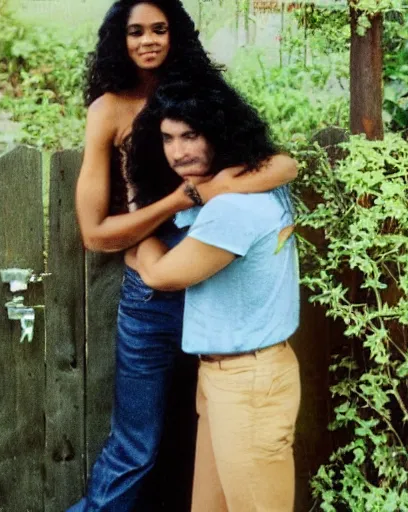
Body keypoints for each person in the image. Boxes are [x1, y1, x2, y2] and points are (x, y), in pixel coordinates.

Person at [70, 1, 299, 511]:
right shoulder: (109, 109)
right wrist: (178, 201)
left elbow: (282, 165)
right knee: (138, 444)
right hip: (156, 283)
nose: (148, 41)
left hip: (219, 277)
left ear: (176, 35)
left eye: (159, 29)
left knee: (217, 432)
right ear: (119, 40)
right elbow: (95, 234)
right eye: (135, 31)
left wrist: (208, 191)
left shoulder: (203, 94)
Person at [129, 82, 301, 512]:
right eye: (168, 138)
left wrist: (136, 240)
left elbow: (161, 275)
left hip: (248, 384)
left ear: (220, 134)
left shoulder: (232, 208)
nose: (177, 151)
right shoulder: (246, 187)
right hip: (232, 377)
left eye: (191, 135)